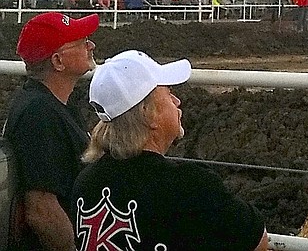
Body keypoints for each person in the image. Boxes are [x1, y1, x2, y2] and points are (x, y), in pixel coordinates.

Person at [71, 50, 269, 251]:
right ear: (149, 115)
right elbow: (257, 243)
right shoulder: (189, 186)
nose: (177, 101)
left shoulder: (85, 183)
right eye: (168, 94)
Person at [3, 12, 100, 251]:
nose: (91, 45)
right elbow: (42, 211)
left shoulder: (52, 104)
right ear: (57, 62)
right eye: (81, 42)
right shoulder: (38, 114)